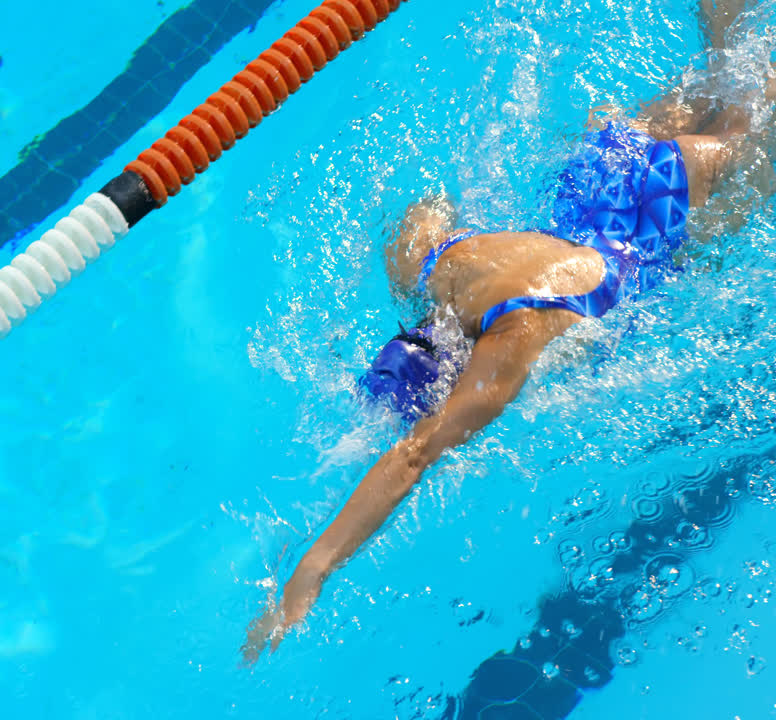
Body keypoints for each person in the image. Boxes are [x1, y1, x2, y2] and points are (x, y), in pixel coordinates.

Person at [243, 0, 774, 662]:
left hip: (650, 227)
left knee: (757, 124)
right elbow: (420, 216)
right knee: (728, 77)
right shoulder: (442, 266)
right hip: (600, 176)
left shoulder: (510, 341)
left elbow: (415, 454)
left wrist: (312, 571)